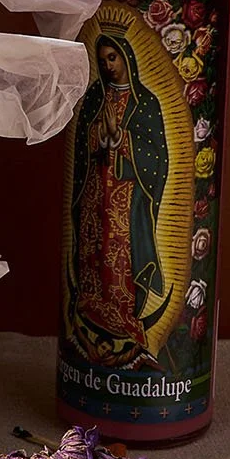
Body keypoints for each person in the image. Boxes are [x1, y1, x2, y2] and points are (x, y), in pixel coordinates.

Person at [66, 30, 171, 367]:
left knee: (119, 256)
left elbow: (157, 156)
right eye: (103, 60)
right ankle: (91, 312)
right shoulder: (95, 96)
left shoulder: (146, 103)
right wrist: (99, 134)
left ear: (126, 59)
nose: (108, 65)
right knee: (93, 251)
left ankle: (124, 319)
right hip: (95, 190)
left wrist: (121, 137)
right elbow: (83, 144)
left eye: (113, 58)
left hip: (127, 195)